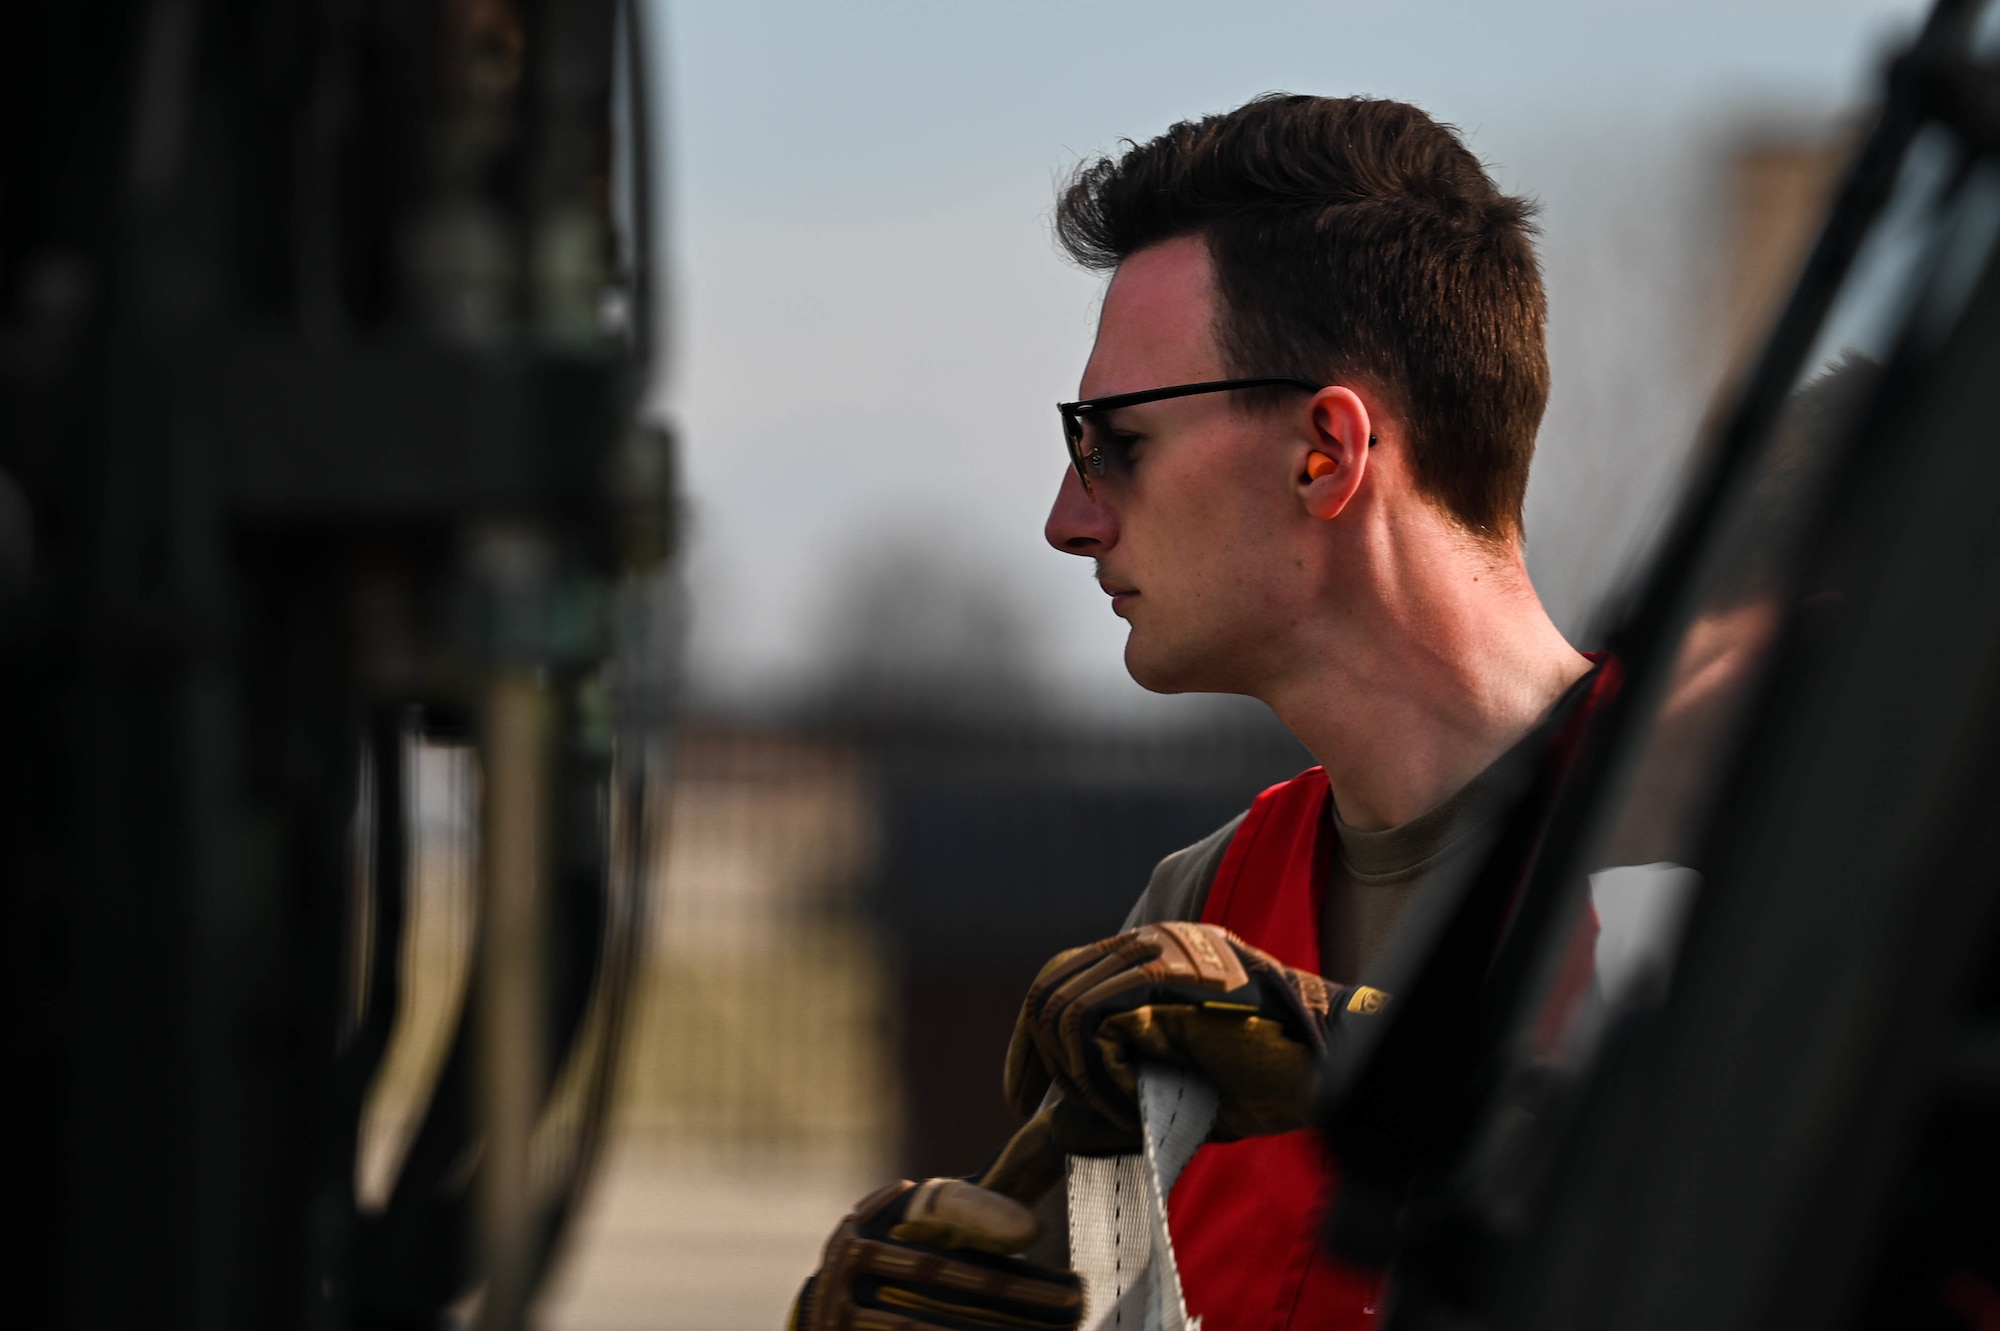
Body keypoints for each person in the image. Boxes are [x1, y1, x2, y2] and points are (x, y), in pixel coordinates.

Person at [794, 93, 1611, 1331]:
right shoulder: (1199, 914)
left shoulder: (1733, 829)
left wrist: (1385, 1066)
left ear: (1324, 454)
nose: (1067, 520)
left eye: (1113, 442)